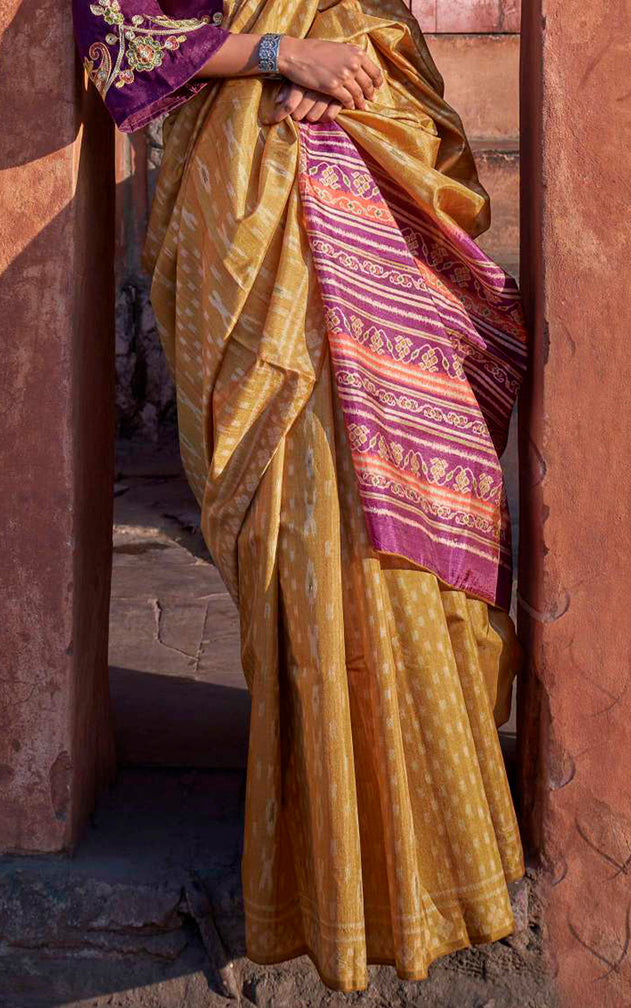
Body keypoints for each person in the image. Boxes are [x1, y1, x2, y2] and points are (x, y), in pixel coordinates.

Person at [72, 0, 529, 992]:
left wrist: (356, 74)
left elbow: (392, 37)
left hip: (351, 192)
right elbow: (116, 31)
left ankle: (440, 851)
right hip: (239, 213)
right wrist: (287, 54)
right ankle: (326, 866)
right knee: (301, 532)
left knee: (398, 511)